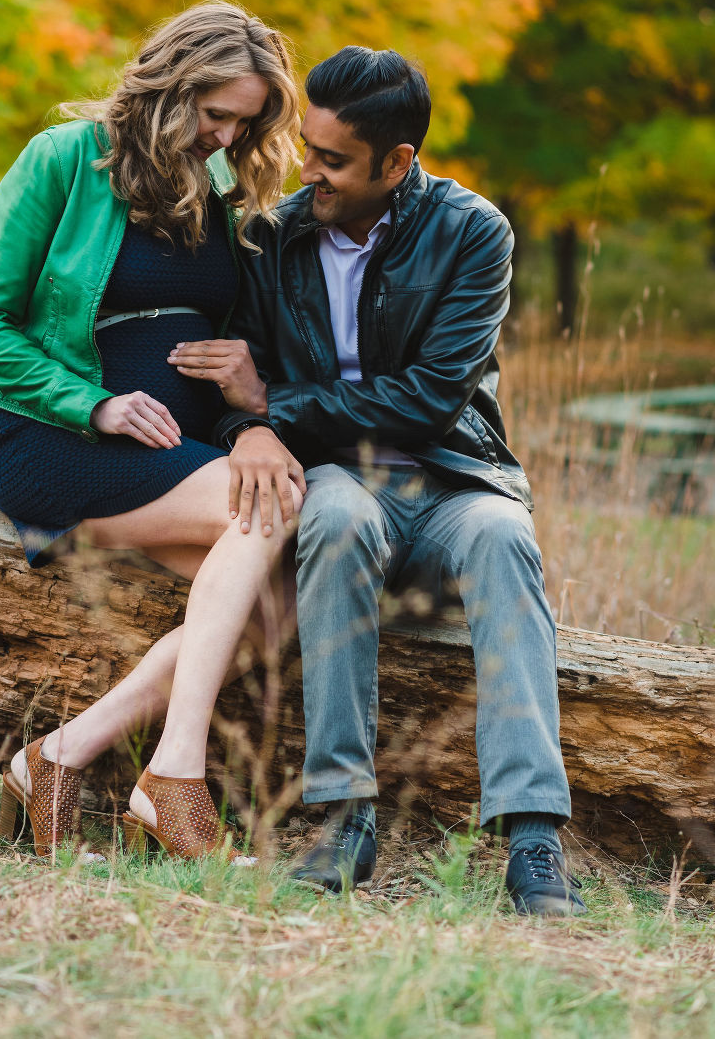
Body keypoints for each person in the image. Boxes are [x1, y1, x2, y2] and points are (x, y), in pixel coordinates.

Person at [169, 46, 585, 915]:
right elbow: (234, 384)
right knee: (337, 519)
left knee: (509, 537)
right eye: (306, 146)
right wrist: (248, 424)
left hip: (449, 481)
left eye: (332, 159)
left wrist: (276, 400)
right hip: (337, 484)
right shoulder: (271, 236)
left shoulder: (474, 233)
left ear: (397, 163)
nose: (305, 171)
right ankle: (343, 820)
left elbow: (432, 399)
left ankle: (535, 839)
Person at [0, 0, 302, 861]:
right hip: (56, 443)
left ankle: (57, 757)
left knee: (275, 616)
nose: (224, 137)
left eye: (243, 122)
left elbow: (241, 338)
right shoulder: (65, 160)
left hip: (176, 459)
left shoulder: (223, 190)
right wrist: (91, 403)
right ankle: (174, 777)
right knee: (274, 509)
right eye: (213, 114)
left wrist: (254, 410)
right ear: (168, 85)